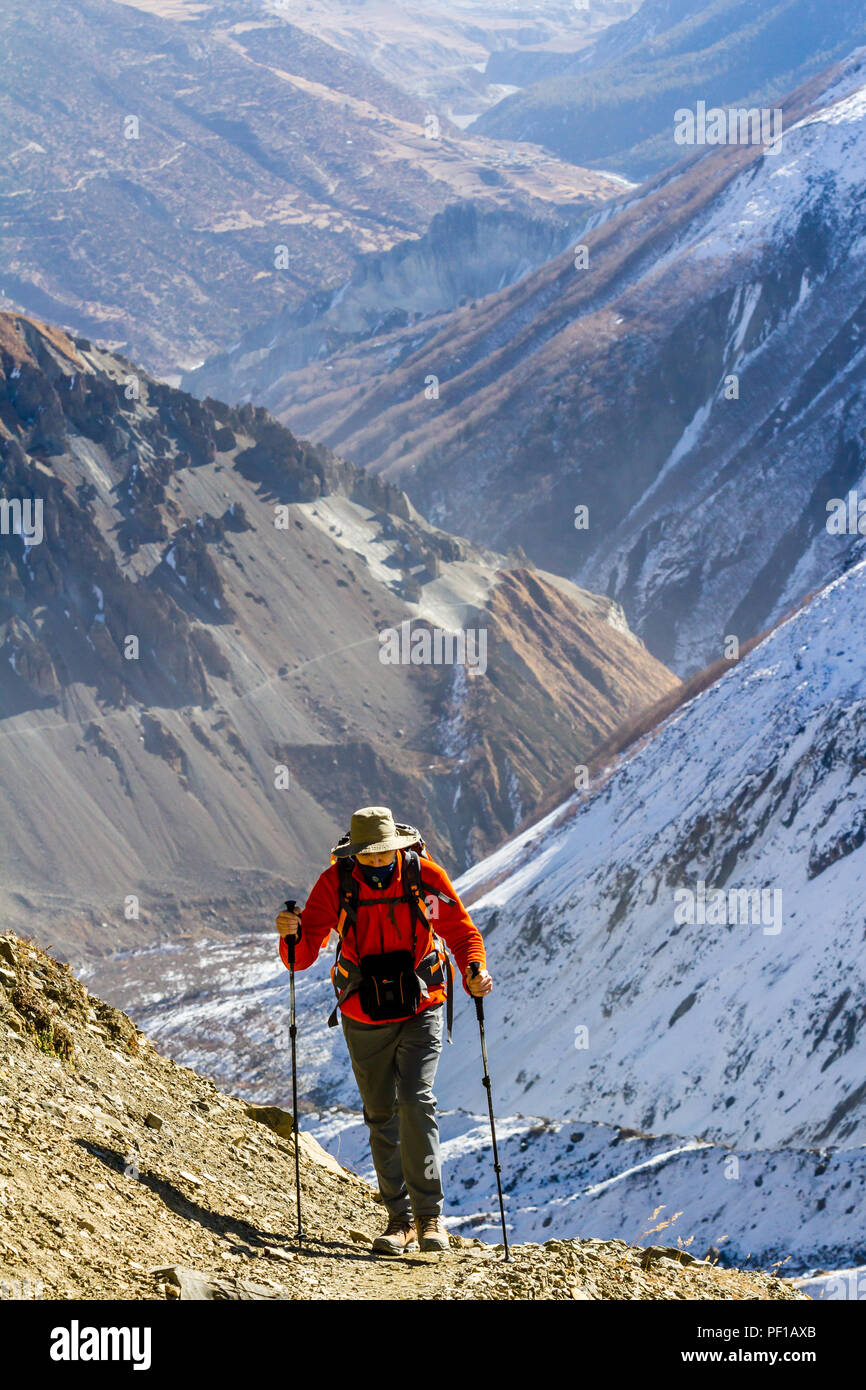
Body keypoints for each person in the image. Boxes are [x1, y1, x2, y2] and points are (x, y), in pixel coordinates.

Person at [276, 805, 492, 1255]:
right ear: (354, 853)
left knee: (416, 1102)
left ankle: (430, 1218)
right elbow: (301, 957)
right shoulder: (334, 884)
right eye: (367, 855)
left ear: (397, 847)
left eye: (382, 853)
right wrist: (289, 934)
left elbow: (461, 932)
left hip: (421, 1006)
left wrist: (475, 971)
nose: (375, 861)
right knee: (380, 1116)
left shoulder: (424, 877)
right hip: (363, 1013)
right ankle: (400, 1221)